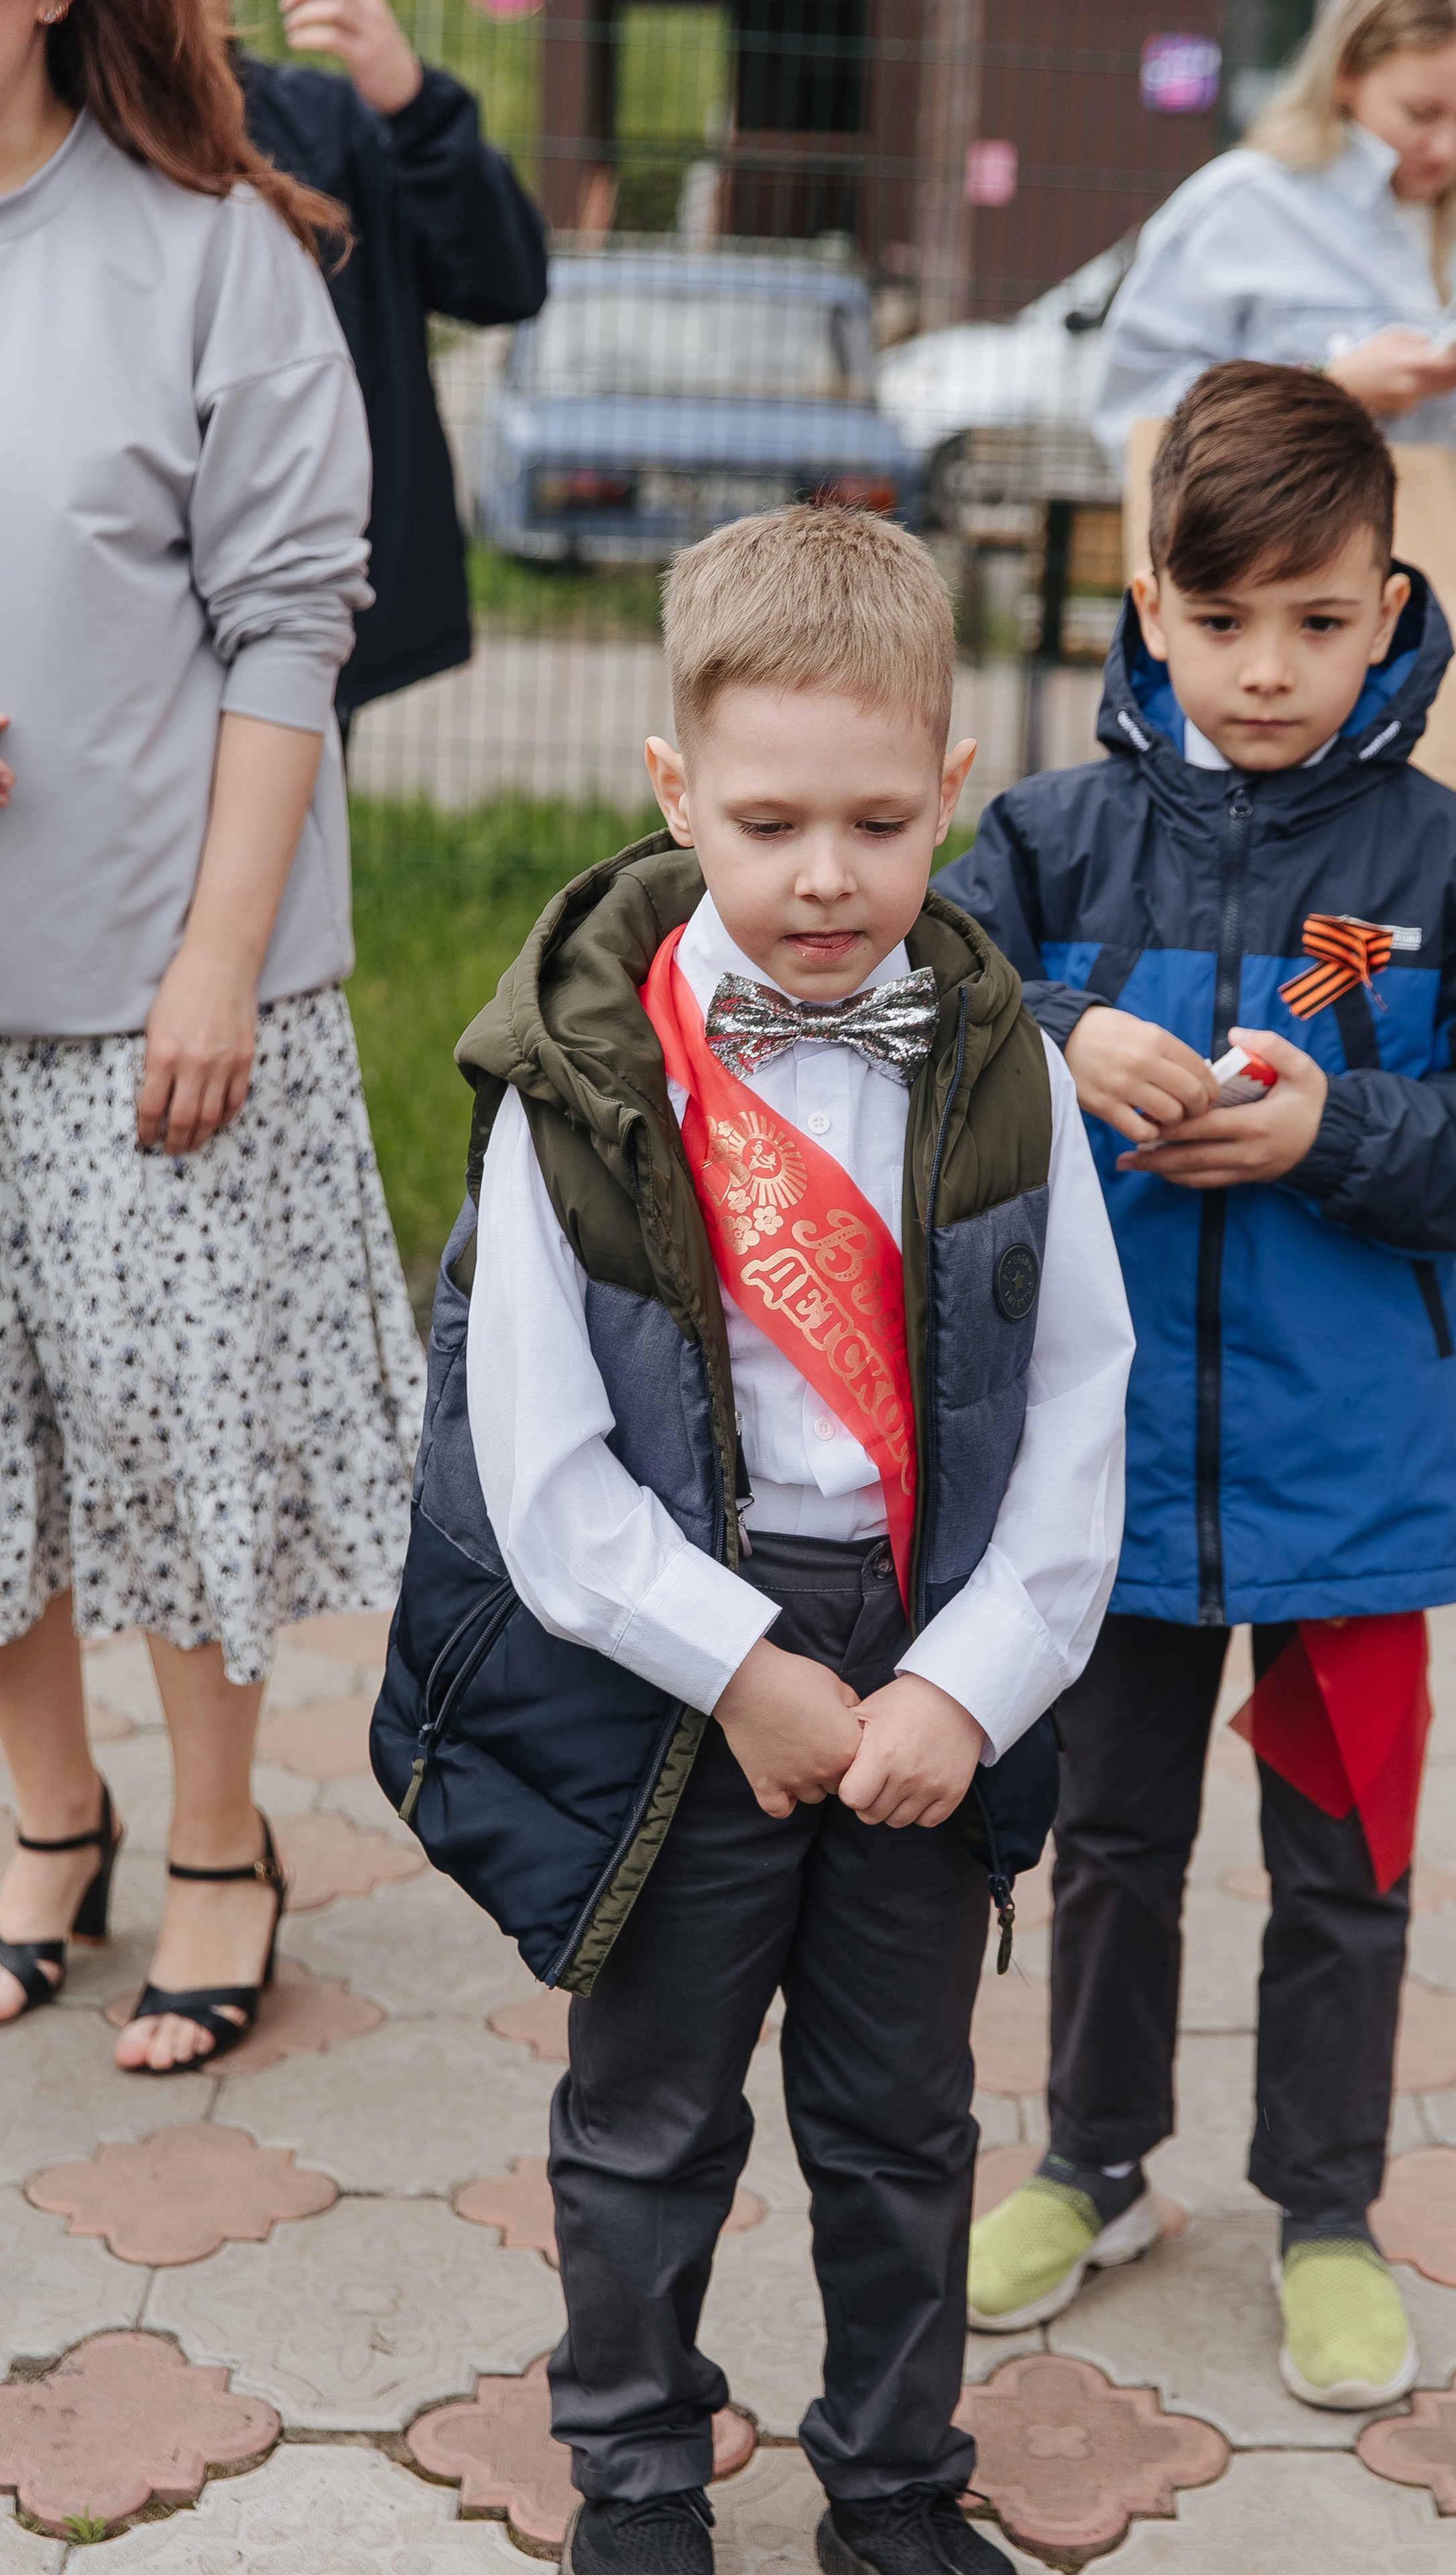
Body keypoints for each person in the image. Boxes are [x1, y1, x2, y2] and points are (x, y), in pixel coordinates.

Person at [369, 506, 1135, 2575]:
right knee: (646, 2113)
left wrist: (962, 1685)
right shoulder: (580, 1088)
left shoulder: (1007, 1074)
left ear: (952, 794)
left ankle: (890, 2482)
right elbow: (530, 1461)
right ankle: (633, 2469)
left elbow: (1080, 1406)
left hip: (921, 1654)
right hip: (669, 1658)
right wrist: (741, 1668)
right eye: (770, 817)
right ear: (673, 788)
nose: (824, 875)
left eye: (878, 823)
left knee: (901, 2125)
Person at [941, 365, 1456, 2409]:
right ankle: (1092, 2163)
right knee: (1109, 1837)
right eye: (1221, 621)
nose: (1265, 668)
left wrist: (1340, 1130)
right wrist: (1054, 1030)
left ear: (1386, 599)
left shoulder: (1447, 862)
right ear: (1148, 606)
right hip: (1109, 1483)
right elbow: (918, 1006)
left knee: (1340, 1864)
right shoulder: (1047, 837)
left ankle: (1323, 2203)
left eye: (1318, 621)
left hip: (1349, 1492)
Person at [0, 0, 424, 2068]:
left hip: (154, 974)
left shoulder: (210, 246)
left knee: (166, 1438)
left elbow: (286, 616)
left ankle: (222, 1847)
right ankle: (47, 1823)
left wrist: (216, 959)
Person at [1093, 0, 1456, 773]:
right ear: (1347, 74)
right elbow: (1131, 419)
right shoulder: (1240, 209)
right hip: (1260, 646)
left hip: (1432, 640)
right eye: (1420, 112)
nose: (1446, 144)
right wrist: (1329, 388)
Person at [226, 0, 548, 730]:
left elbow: (505, 281)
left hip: (306, 611)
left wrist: (414, 105)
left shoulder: (326, 124)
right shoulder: (67, 139)